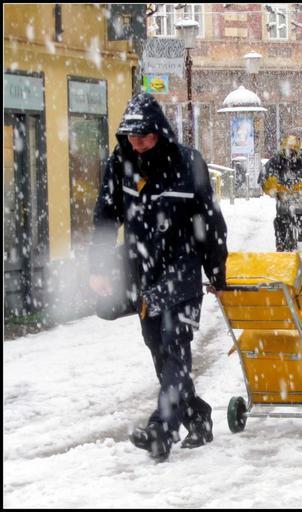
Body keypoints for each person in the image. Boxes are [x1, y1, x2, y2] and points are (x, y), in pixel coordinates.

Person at [88, 92, 229, 462]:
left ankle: (161, 430)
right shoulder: (121, 164)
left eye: (146, 135)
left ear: (160, 132)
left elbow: (210, 224)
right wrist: (99, 267)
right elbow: (105, 217)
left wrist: (216, 272)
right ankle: (196, 415)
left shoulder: (187, 163)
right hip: (144, 274)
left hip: (182, 271)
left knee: (175, 347)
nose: (139, 143)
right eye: (132, 137)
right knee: (158, 348)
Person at [261, 134, 302, 250]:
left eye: (293, 151)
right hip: (282, 196)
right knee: (279, 219)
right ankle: (279, 238)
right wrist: (272, 186)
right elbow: (266, 172)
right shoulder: (276, 160)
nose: (290, 154)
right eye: (288, 150)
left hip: (298, 195)